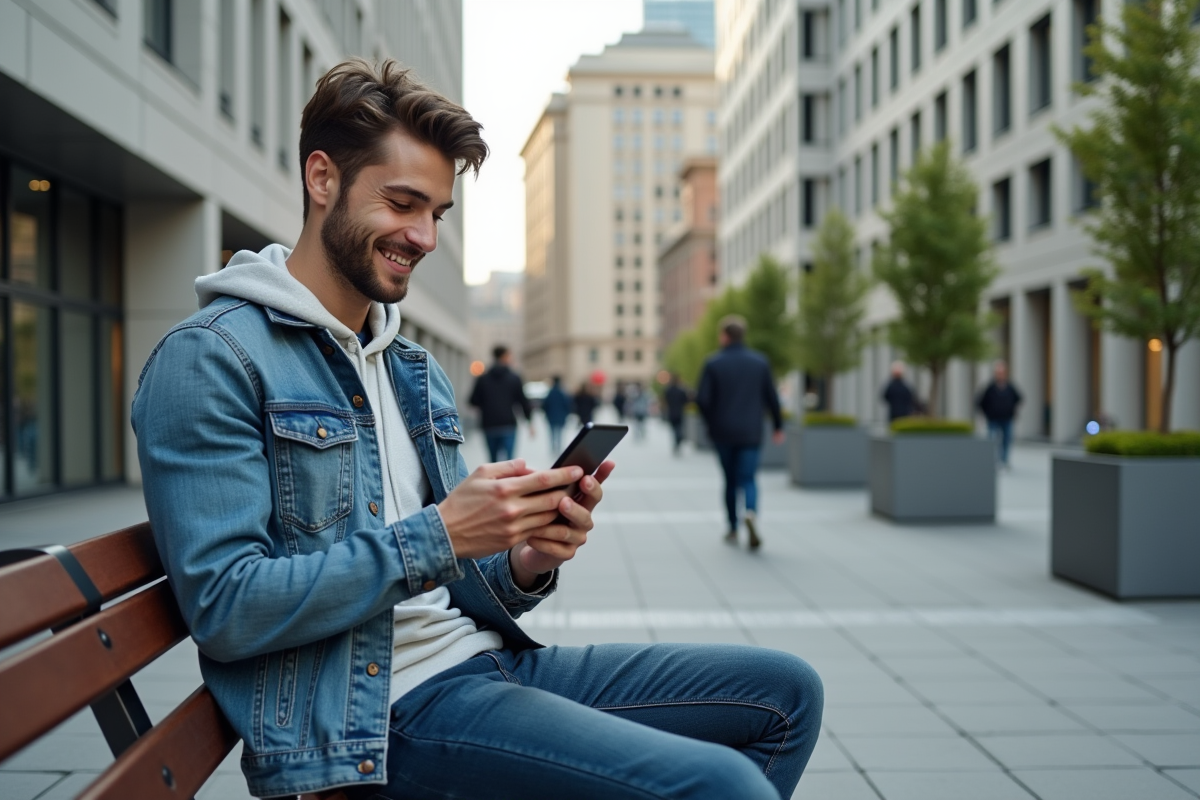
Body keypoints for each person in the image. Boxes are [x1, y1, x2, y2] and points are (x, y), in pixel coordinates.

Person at [130, 60, 821, 800]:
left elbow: (454, 579)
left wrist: (523, 559)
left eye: (437, 213)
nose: (424, 236)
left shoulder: (410, 368)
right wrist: (441, 535)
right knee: (723, 785)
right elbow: (227, 608)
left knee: (787, 693)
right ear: (322, 178)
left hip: (487, 666)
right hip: (382, 720)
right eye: (403, 203)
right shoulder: (212, 359)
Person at [696, 315, 784, 551]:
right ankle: (751, 512)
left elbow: (702, 399)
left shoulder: (713, 363)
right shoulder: (760, 362)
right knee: (749, 478)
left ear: (724, 336)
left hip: (723, 432)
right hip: (751, 432)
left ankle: (733, 527)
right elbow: (772, 398)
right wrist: (778, 426)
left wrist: (711, 423)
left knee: (730, 480)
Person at [469, 344, 533, 462]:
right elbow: (523, 401)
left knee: (493, 461)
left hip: (489, 424)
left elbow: (473, 401)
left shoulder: (483, 378)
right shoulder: (514, 378)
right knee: (510, 462)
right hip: (508, 424)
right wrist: (529, 422)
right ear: (504, 356)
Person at [977, 360, 1023, 467]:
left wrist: (1012, 409)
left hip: (1007, 418)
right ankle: (993, 460)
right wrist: (986, 413)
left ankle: (1004, 460)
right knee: (992, 439)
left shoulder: (1010, 387)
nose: (1000, 374)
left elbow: (1019, 398)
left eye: (1002, 372)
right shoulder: (990, 387)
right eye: (998, 372)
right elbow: (981, 402)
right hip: (993, 419)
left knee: (1007, 439)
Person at [541, 375, 572, 453]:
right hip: (561, 417)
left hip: (551, 417)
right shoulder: (562, 393)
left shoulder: (550, 393)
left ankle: (553, 447)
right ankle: (558, 447)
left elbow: (545, 405)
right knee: (559, 433)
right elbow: (567, 404)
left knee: (552, 433)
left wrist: (547, 413)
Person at [664, 373, 690, 455]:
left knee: (674, 429)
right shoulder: (681, 391)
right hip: (679, 412)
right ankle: (678, 439)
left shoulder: (668, 390)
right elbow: (686, 400)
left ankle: (677, 440)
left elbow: (666, 400)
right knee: (678, 428)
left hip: (671, 412)